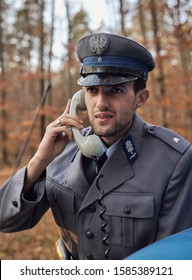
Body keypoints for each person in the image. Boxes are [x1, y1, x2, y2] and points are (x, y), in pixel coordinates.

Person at [0, 32, 192, 260]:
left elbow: (171, 261)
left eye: (116, 90)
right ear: (81, 98)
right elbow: (5, 220)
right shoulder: (62, 149)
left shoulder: (174, 160)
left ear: (140, 98)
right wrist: (39, 162)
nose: (100, 103)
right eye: (92, 90)